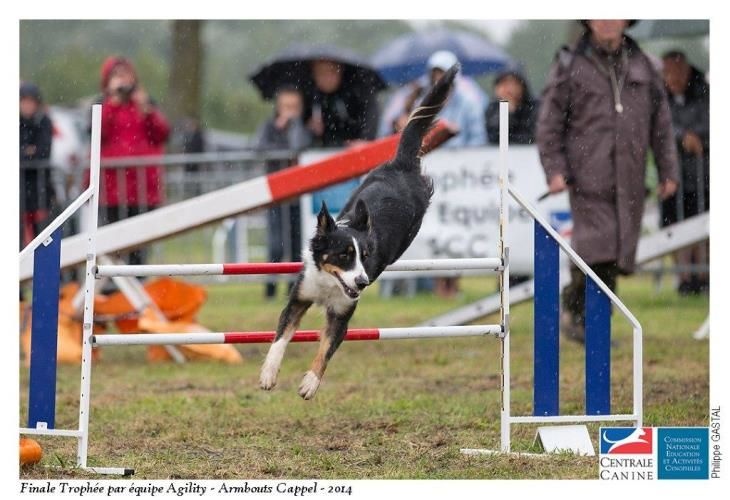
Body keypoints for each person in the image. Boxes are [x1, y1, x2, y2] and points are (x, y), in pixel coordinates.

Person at [536, 20, 679, 343]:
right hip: (587, 174)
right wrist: (554, 169)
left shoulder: (643, 63)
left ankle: (576, 309)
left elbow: (662, 124)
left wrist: (669, 170)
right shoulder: (570, 63)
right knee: (597, 247)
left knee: (618, 251)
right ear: (587, 20)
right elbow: (549, 123)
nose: (608, 19)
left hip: (630, 176)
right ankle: (590, 322)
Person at [97, 56, 170, 265]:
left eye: (125, 75)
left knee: (139, 245)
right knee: (114, 244)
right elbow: (98, 133)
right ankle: (115, 287)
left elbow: (162, 133)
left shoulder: (145, 104)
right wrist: (113, 103)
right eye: (116, 76)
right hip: (112, 190)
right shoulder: (103, 106)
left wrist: (146, 109)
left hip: (143, 188)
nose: (122, 81)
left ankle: (137, 284)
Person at [254, 85, 312, 299]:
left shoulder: (301, 128)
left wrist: (295, 126)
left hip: (298, 197)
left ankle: (293, 290)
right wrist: (280, 131)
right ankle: (270, 290)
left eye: (294, 107)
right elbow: (259, 149)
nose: (290, 111)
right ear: (278, 107)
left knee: (297, 246)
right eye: (286, 106)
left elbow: (300, 147)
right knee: (276, 246)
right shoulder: (269, 127)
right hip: (277, 196)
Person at [660, 50, 710, 295]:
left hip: (704, 175)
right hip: (673, 177)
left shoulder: (705, 93)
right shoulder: (659, 98)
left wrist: (698, 137)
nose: (674, 77)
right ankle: (684, 278)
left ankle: (704, 276)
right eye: (668, 71)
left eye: (678, 70)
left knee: (705, 228)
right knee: (675, 228)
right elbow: (660, 125)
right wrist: (681, 137)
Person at [304, 59, 378, 147]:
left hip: (357, 146)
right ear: (313, 74)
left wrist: (365, 139)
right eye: (321, 73)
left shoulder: (357, 88)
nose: (327, 78)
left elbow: (371, 112)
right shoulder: (309, 95)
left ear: (341, 70)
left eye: (332, 72)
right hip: (326, 149)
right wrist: (308, 129)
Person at [20, 81, 56, 248]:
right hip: (21, 189)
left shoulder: (44, 121)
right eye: (24, 101)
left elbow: (43, 152)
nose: (27, 105)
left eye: (30, 101)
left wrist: (26, 152)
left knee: (43, 238)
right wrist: (28, 151)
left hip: (40, 189)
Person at [485, 69, 539, 145]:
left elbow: (531, 137)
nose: (509, 89)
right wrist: (508, 112)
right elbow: (494, 138)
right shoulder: (492, 109)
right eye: (504, 84)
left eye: (513, 83)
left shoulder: (534, 107)